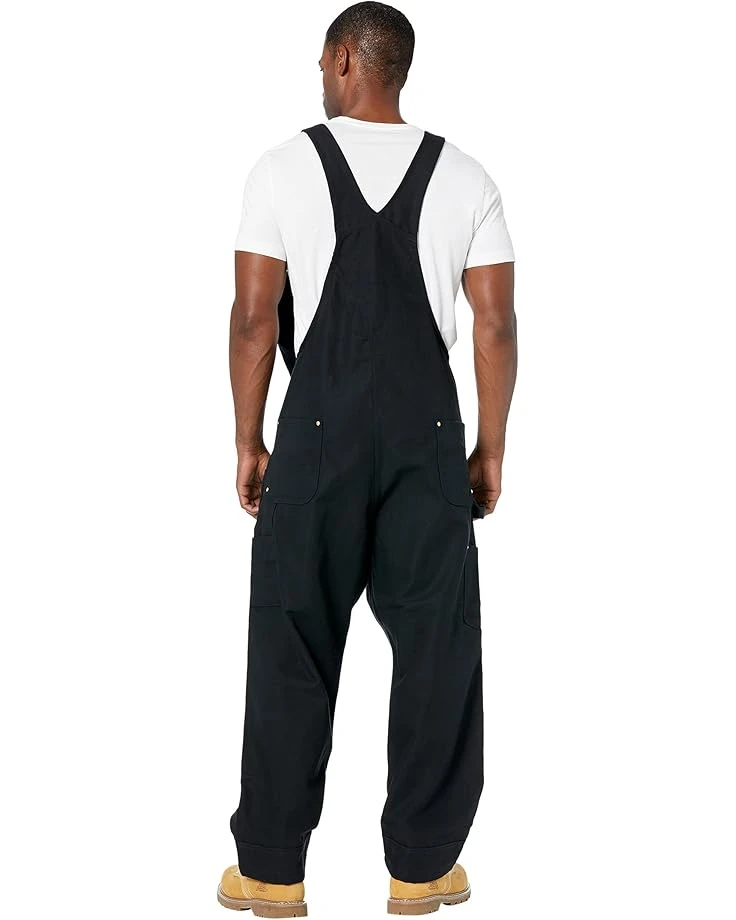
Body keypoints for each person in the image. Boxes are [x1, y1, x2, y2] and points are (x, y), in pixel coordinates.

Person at [218, 2, 517, 916]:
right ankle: (421, 869)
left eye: (323, 59)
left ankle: (272, 872)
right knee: (437, 650)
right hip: (430, 441)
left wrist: (249, 438)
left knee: (291, 642)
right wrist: (489, 448)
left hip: (314, 438)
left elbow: (254, 320)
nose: (318, 72)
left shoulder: (280, 169)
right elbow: (495, 325)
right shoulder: (467, 177)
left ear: (346, 59)